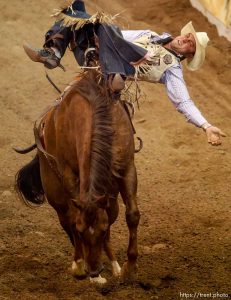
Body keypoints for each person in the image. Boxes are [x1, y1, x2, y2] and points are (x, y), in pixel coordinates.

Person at [23, 0, 226, 146]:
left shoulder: (172, 68)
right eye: (188, 36)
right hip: (97, 54)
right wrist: (99, 38)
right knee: (76, 7)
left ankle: (115, 73)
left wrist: (206, 125)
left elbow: (183, 101)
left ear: (189, 54)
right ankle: (54, 52)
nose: (186, 40)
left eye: (190, 44)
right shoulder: (151, 35)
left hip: (120, 67)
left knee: (105, 24)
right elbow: (120, 36)